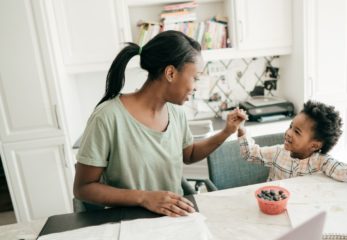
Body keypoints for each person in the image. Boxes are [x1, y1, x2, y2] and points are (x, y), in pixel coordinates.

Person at [73, 31, 246, 217]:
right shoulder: (107, 117)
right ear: (170, 73)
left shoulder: (177, 112)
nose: (196, 86)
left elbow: (189, 154)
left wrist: (227, 131)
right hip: (129, 222)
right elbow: (83, 188)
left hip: (174, 218)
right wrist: (144, 197)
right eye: (195, 77)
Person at [234, 100, 347, 182]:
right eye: (291, 126)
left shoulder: (322, 162)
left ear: (315, 145)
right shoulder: (278, 153)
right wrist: (241, 129)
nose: (288, 133)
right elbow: (250, 154)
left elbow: (346, 174)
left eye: (297, 132)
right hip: (275, 206)